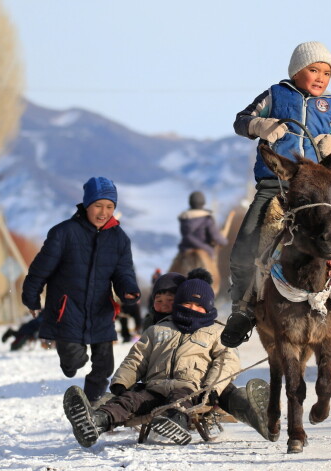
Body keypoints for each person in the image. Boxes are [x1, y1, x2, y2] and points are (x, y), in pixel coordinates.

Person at [222, 41, 331, 349]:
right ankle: (243, 309)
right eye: (314, 70)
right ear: (296, 71)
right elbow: (241, 120)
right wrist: (260, 125)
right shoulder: (274, 95)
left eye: (327, 72)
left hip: (316, 194)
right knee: (244, 246)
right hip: (273, 188)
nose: (321, 77)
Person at [62, 269, 269, 447]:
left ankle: (175, 424)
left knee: (179, 400)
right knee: (129, 400)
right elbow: (136, 358)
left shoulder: (215, 331)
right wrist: (121, 382)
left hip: (189, 387)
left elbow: (227, 361)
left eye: (198, 306)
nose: (192, 309)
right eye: (187, 304)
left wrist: (212, 389)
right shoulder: (158, 328)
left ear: (208, 308)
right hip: (153, 386)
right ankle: (96, 421)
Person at [22, 176, 141, 405]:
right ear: (87, 205)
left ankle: (91, 404)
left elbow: (123, 271)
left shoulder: (119, 238)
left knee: (105, 366)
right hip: (67, 311)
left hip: (100, 311)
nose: (103, 212)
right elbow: (39, 270)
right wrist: (32, 298)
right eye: (98, 205)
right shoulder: (63, 233)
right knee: (74, 361)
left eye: (109, 206)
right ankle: (69, 363)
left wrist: (129, 289)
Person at [177, 191, 228, 258]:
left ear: (190, 203)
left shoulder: (184, 218)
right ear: (203, 203)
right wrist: (224, 241)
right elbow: (216, 237)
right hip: (205, 250)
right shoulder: (207, 219)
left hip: (185, 250)